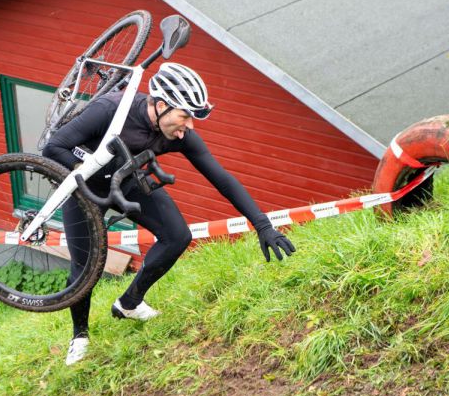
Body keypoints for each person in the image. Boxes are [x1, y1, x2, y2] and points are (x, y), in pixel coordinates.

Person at [42, 62, 296, 365]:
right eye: (184, 116)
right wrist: (91, 170)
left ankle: (129, 303)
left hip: (128, 181)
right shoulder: (110, 110)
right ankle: (80, 336)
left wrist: (263, 225)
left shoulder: (178, 134)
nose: (189, 126)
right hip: (85, 188)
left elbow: (222, 179)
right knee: (85, 268)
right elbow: (53, 148)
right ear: (162, 105)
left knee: (177, 236)